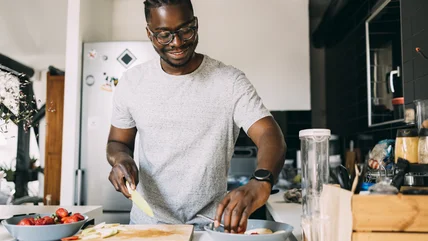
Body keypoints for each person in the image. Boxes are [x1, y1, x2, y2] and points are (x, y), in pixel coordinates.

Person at [106, 0, 286, 233]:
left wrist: (261, 180)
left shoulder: (229, 81)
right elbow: (117, 142)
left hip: (211, 228)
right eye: (164, 35)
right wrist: (121, 160)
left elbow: (269, 134)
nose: (177, 42)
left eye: (185, 30)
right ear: (149, 33)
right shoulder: (131, 83)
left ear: (196, 24)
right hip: (147, 227)